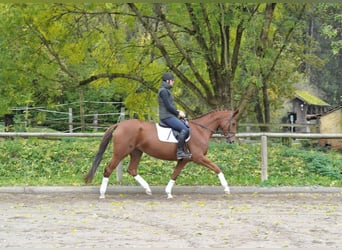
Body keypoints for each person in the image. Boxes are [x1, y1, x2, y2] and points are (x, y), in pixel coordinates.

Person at [158, 72, 192, 160]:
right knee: (184, 129)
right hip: (166, 117)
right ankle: (180, 152)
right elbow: (168, 106)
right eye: (172, 81)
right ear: (168, 81)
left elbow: (169, 106)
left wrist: (177, 111)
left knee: (185, 126)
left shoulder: (166, 90)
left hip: (169, 115)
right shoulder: (163, 91)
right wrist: (178, 113)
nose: (173, 82)